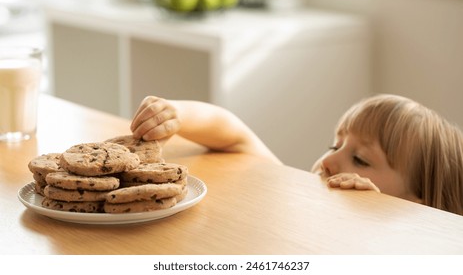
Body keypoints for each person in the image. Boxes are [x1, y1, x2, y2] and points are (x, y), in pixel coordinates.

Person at [130, 94, 463, 216]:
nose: (329, 161)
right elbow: (234, 135)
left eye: (360, 159)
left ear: (418, 211)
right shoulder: (293, 203)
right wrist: (176, 114)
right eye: (335, 145)